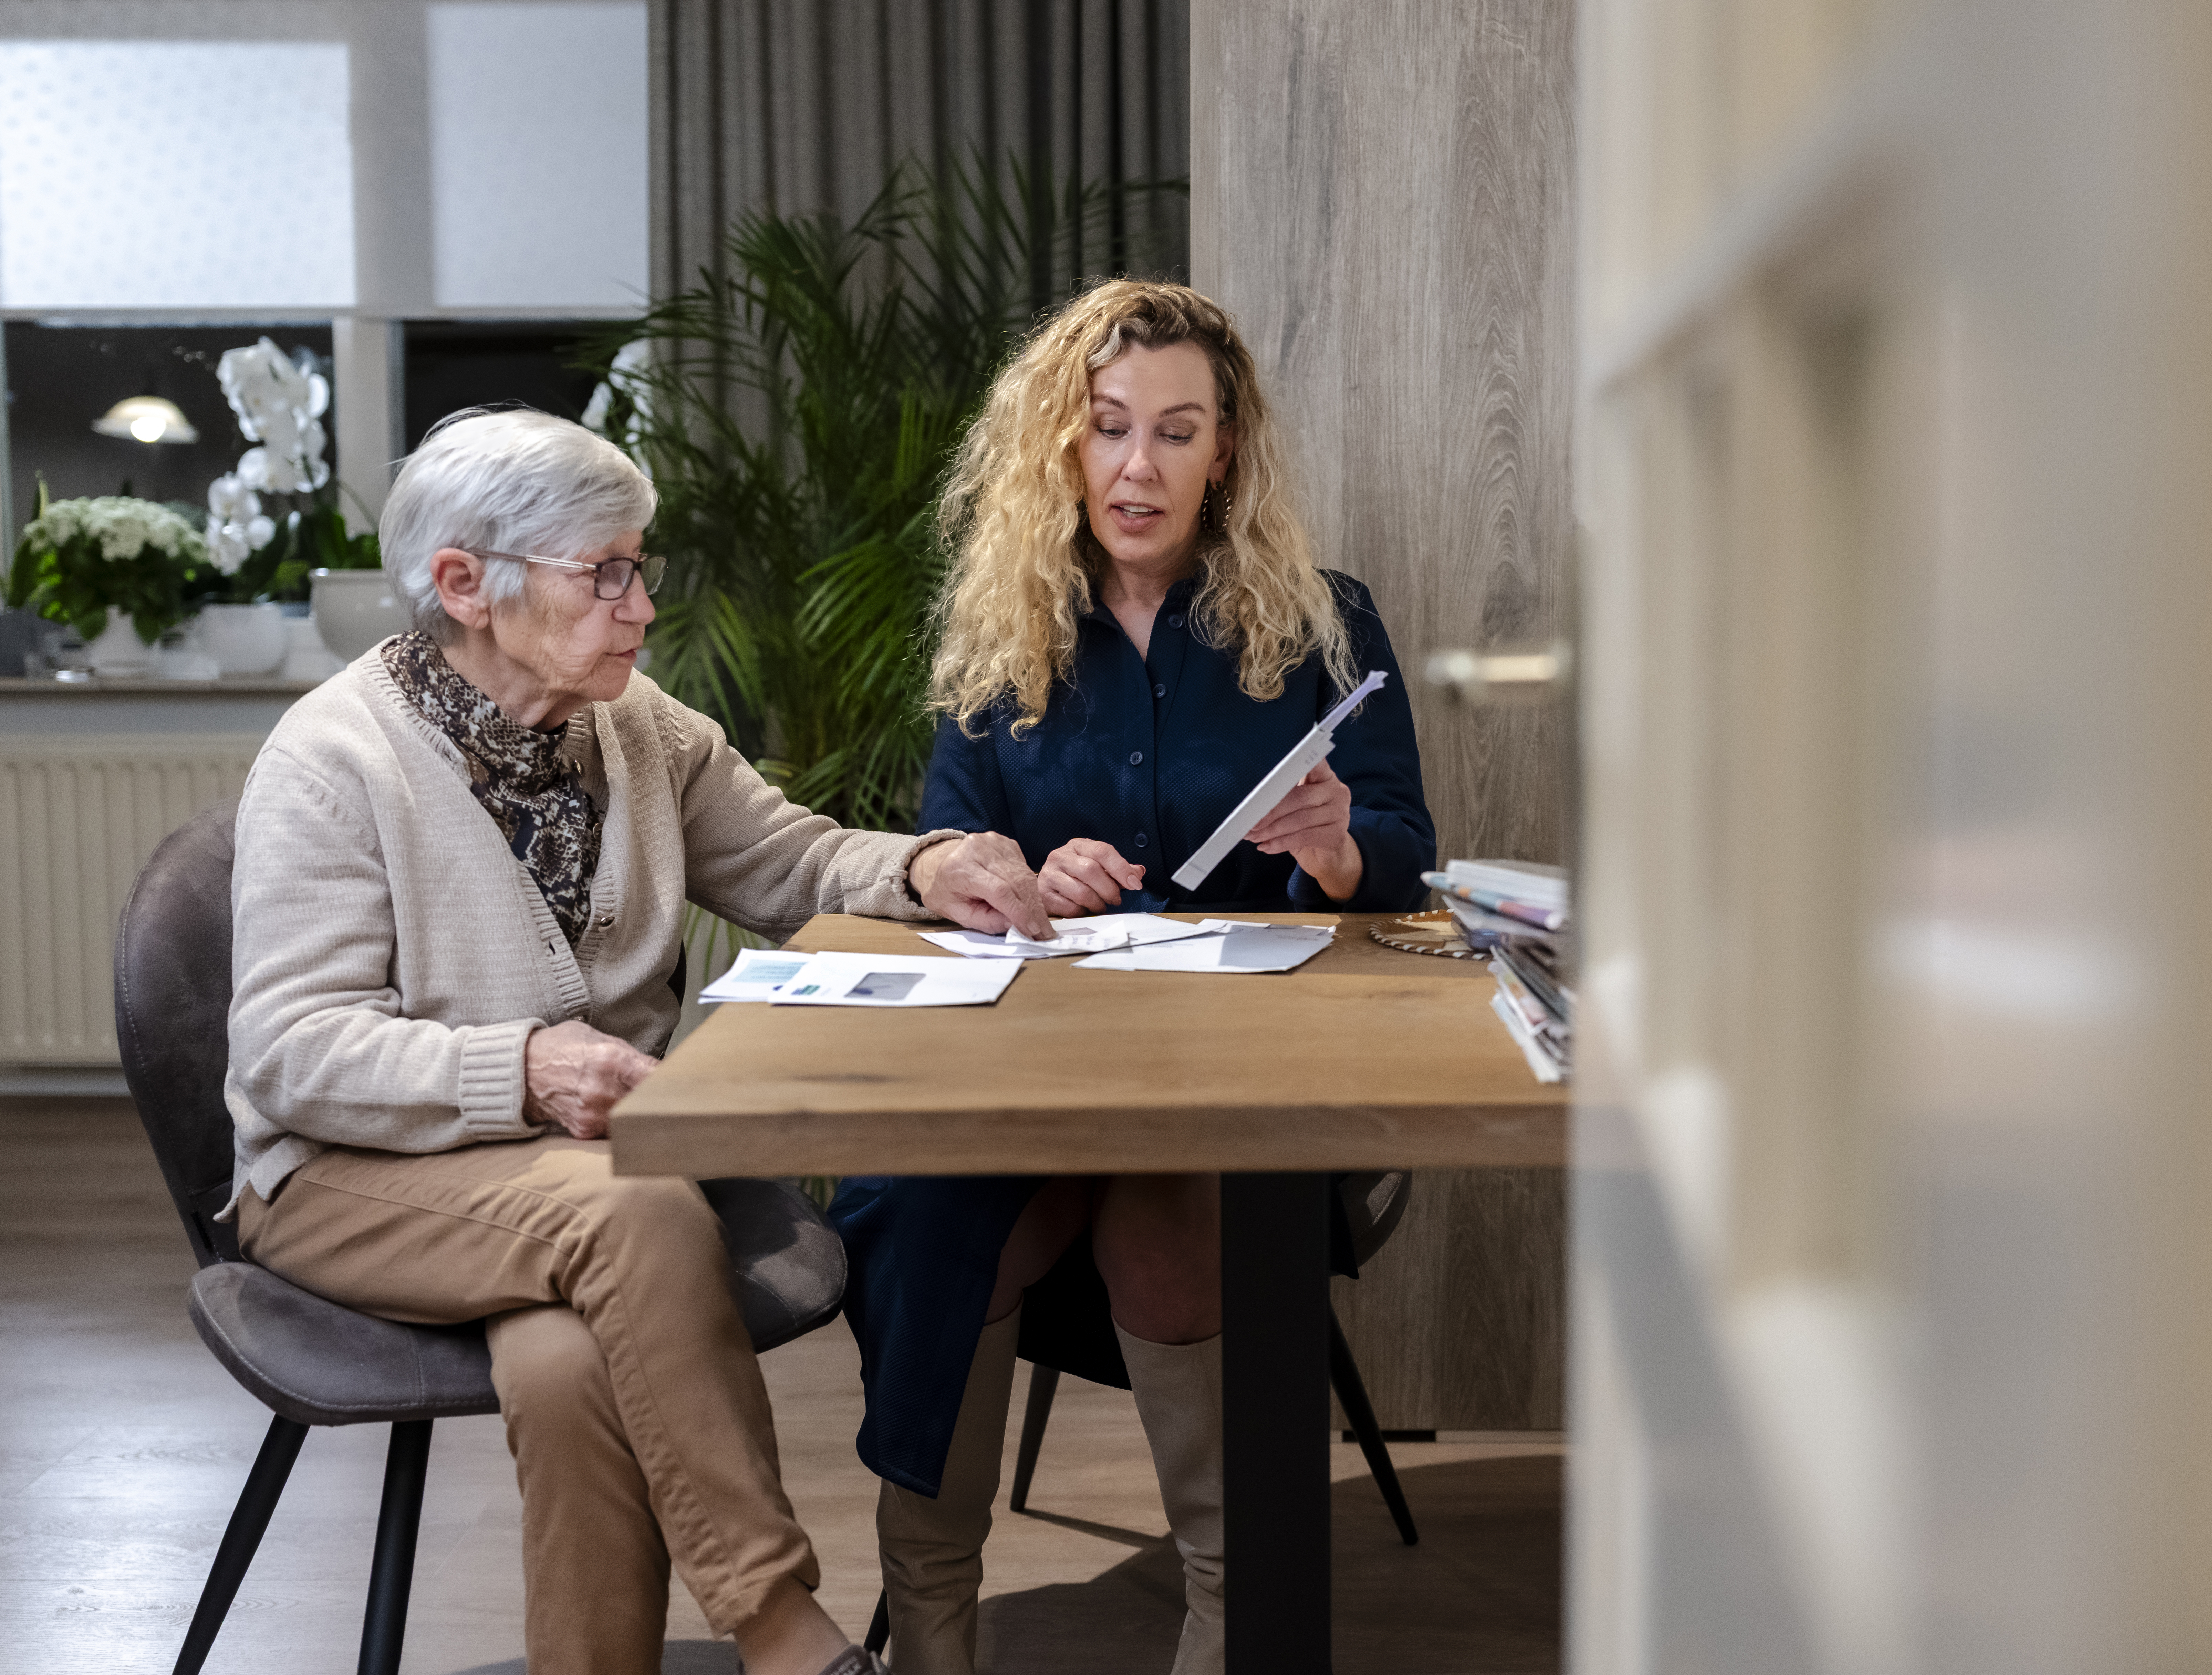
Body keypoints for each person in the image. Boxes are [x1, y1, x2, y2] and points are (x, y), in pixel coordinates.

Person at [224, 407, 1051, 1675]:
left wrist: (931, 865)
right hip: (348, 1175)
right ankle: (784, 1629)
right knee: (643, 1213)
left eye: (639, 567)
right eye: (602, 574)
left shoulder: (638, 728)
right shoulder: (334, 762)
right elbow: (291, 1051)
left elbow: (791, 861)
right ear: (464, 584)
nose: (641, 607)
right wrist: (527, 1069)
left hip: (567, 1174)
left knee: (565, 1369)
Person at [832, 281, 1436, 1674]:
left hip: (1235, 1075)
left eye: (1175, 431)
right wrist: (1019, 883)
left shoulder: (1320, 621)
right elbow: (947, 854)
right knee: (929, 1200)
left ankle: (1228, 1618)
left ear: (1225, 449)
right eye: (1107, 429)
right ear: (1062, 443)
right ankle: (930, 1625)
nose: (1137, 466)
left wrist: (1340, 850)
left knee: (1172, 1199)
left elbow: (1408, 851)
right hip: (1035, 1063)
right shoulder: (1003, 635)